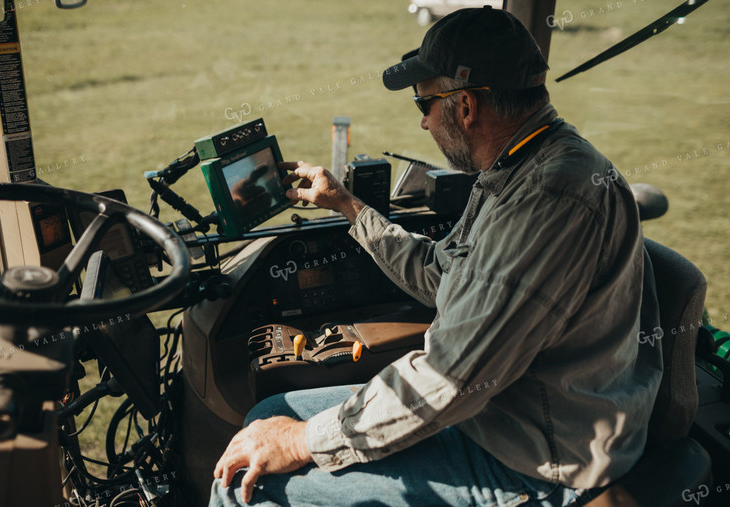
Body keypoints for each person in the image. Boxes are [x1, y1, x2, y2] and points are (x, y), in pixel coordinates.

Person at [210, 6, 662, 506]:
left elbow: (454, 376)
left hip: (540, 458)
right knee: (269, 411)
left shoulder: (549, 199)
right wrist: (347, 206)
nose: (424, 123)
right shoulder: (514, 170)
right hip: (499, 413)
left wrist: (301, 441)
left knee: (243, 486)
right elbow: (440, 274)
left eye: (422, 105)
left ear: (465, 106)